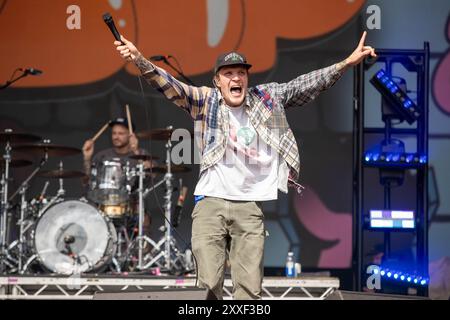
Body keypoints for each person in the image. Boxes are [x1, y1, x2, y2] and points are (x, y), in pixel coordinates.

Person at [114, 31, 376, 299]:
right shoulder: (206, 101)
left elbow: (304, 85)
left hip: (250, 205)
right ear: (217, 81)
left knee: (249, 291)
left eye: (241, 72)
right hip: (211, 203)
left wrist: (345, 63)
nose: (236, 78)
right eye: (228, 73)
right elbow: (169, 84)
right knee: (207, 289)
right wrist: (139, 59)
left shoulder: (266, 98)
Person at [82, 118, 153, 245]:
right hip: (104, 204)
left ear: (130, 135)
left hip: (131, 204)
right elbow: (87, 181)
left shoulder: (141, 154)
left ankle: (143, 259)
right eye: (114, 133)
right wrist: (87, 159)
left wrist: (136, 150)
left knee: (144, 218)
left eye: (121, 133)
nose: (116, 137)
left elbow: (152, 175)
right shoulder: (101, 156)